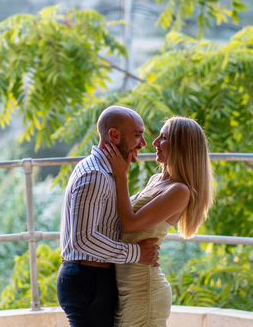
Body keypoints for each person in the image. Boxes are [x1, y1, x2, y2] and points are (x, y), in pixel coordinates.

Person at [102, 116, 215, 327]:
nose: (154, 143)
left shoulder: (179, 191)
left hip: (144, 289)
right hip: (127, 283)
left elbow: (129, 224)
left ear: (181, 146)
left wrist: (121, 176)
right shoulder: (156, 180)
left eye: (163, 138)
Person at [57, 106, 161, 327]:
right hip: (88, 279)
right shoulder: (96, 175)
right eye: (137, 135)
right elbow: (83, 239)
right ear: (114, 135)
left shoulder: (105, 172)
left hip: (92, 277)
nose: (143, 143)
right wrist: (137, 253)